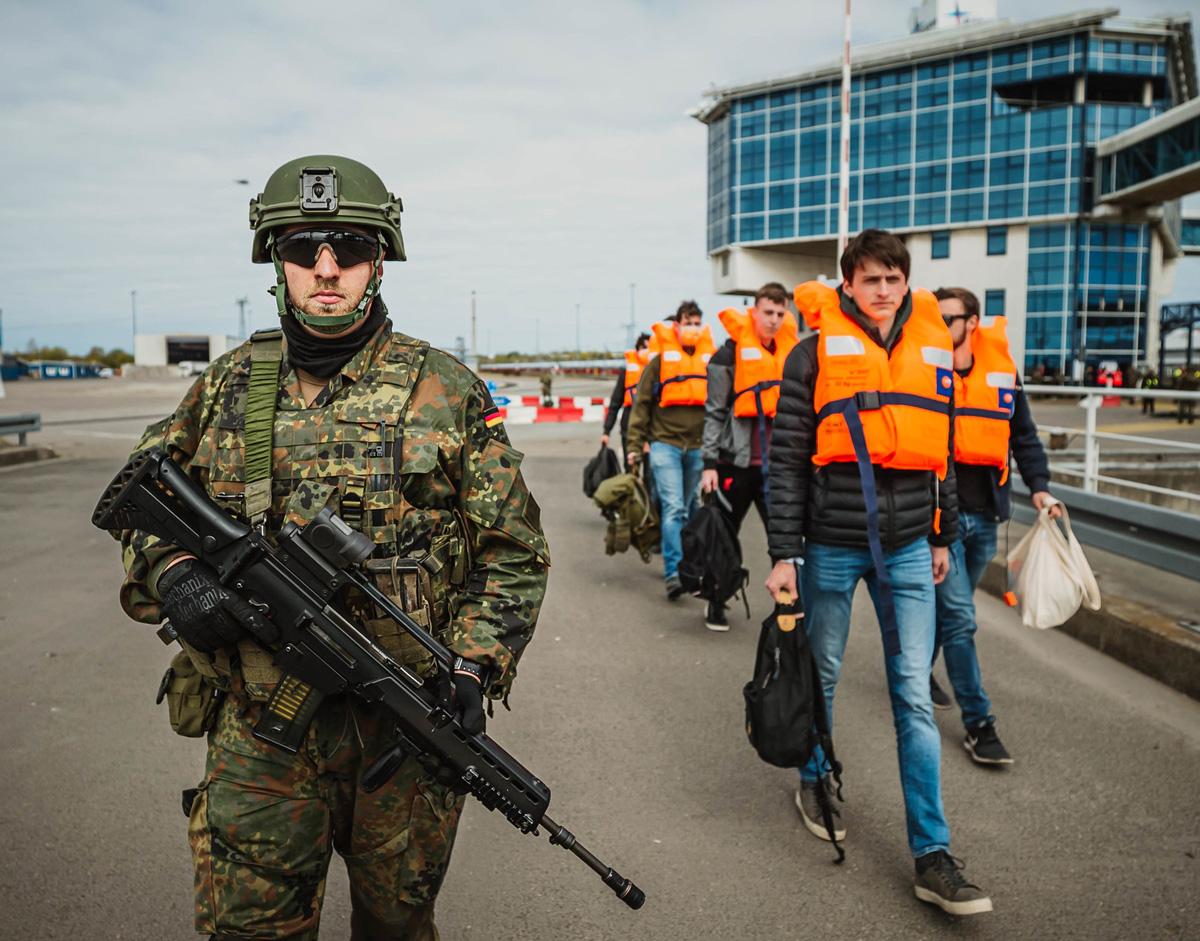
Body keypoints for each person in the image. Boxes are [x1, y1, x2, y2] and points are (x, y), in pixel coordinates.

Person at [112, 155, 550, 940]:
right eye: (303, 246)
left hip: (403, 732)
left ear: (378, 259)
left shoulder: (444, 390)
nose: (325, 267)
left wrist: (475, 663)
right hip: (258, 727)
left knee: (397, 926)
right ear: (275, 260)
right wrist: (173, 570)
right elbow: (138, 499)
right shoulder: (228, 386)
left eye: (347, 246)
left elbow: (514, 549)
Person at [766, 229, 991, 916]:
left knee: (913, 697)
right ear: (848, 284)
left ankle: (933, 854)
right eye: (871, 279)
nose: (884, 290)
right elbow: (786, 458)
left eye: (894, 278)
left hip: (907, 547)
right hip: (831, 542)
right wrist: (783, 553)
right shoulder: (810, 356)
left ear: (906, 282)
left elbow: (941, 449)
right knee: (824, 671)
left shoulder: (930, 353)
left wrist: (944, 532)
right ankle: (813, 775)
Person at [931, 287, 1059, 765]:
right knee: (961, 618)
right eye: (936, 317)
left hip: (986, 517)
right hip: (940, 522)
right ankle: (979, 725)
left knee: (951, 615)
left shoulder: (1002, 370)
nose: (941, 326)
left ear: (972, 322)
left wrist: (1040, 487)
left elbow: (1023, 436)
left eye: (949, 318)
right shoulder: (926, 369)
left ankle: (919, 669)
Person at [698, 282, 798, 631]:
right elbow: (713, 411)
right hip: (734, 464)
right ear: (754, 312)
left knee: (782, 538)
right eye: (767, 312)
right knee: (724, 536)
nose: (773, 320)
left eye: (779, 314)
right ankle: (715, 600)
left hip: (778, 467)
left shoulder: (793, 353)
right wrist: (708, 464)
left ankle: (784, 607)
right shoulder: (727, 355)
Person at [626, 301, 714, 599]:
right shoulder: (660, 362)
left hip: (698, 447)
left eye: (697, 323)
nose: (693, 328)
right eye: (688, 322)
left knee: (691, 507)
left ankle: (691, 566)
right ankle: (674, 573)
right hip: (666, 445)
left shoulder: (709, 360)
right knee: (674, 506)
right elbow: (641, 407)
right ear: (676, 326)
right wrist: (635, 446)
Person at [601, 331, 652, 453]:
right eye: (644, 348)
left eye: (650, 348)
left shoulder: (659, 370)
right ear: (638, 348)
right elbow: (615, 403)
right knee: (630, 467)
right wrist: (606, 431)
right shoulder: (627, 372)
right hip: (629, 425)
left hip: (651, 429)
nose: (646, 351)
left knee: (651, 469)